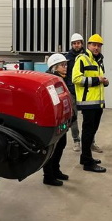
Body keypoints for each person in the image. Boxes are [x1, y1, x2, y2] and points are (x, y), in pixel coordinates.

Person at [72, 34, 109, 173]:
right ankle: (87, 162)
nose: (96, 47)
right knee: (88, 133)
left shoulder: (98, 60)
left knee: (92, 132)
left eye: (99, 45)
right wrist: (96, 80)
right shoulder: (82, 59)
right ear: (88, 45)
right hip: (88, 102)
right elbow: (76, 79)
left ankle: (85, 157)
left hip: (98, 103)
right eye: (94, 45)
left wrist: (105, 82)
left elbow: (99, 79)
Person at [42, 53, 70, 186]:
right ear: (54, 67)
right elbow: (53, 102)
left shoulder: (60, 79)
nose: (66, 67)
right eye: (62, 65)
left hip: (61, 119)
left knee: (61, 144)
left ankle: (56, 170)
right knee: (52, 147)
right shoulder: (51, 81)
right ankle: (48, 176)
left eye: (66, 65)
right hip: (54, 120)